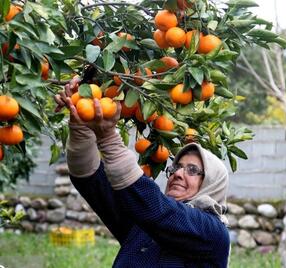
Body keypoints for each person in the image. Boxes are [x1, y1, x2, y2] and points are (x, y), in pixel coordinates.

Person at [54, 83, 231, 267]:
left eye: (192, 170)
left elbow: (159, 211)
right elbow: (90, 180)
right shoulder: (143, 222)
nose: (177, 173)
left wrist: (109, 139)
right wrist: (80, 125)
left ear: (212, 183)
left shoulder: (213, 234)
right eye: (176, 167)